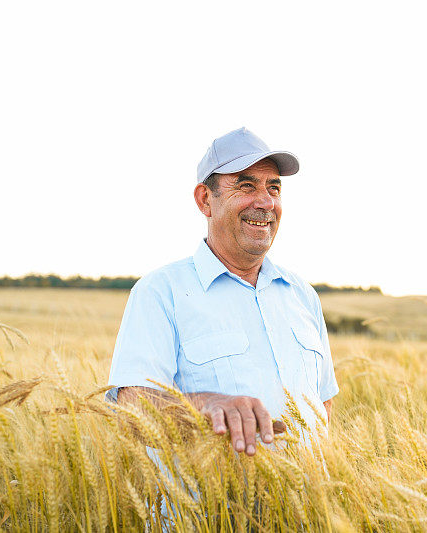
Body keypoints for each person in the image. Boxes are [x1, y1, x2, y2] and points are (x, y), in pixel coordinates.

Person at [106, 127, 339, 457]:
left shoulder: (302, 295)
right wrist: (205, 404)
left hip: (306, 508)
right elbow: (132, 409)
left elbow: (324, 406)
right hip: (207, 509)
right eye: (246, 186)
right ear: (205, 200)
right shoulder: (160, 292)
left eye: (274, 188)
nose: (266, 202)